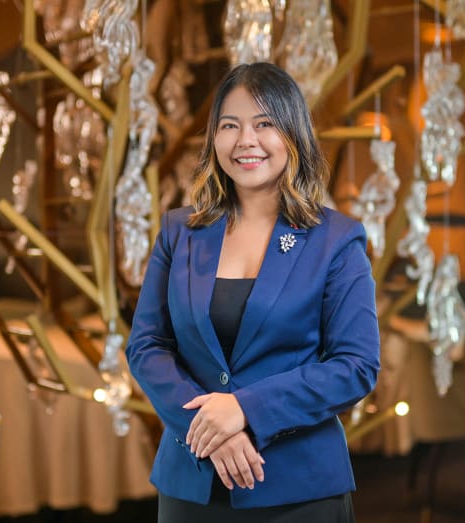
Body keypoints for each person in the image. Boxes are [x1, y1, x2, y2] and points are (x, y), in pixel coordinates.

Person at [125, 62, 380, 523]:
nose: (246, 140)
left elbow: (356, 366)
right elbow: (147, 346)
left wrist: (244, 410)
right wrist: (208, 430)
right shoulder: (179, 232)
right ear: (214, 139)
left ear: (293, 134)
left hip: (298, 490)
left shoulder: (337, 240)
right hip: (193, 485)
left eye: (264, 124)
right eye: (230, 126)